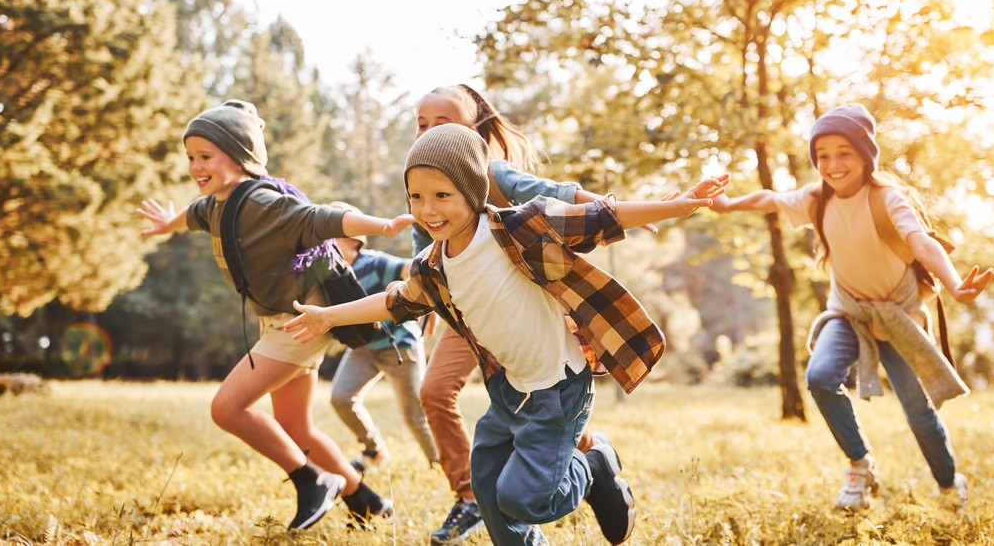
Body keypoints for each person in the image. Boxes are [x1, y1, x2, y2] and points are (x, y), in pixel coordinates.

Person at [285, 124, 730, 545]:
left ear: (473, 191)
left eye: (442, 195)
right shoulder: (433, 266)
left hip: (558, 388)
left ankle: (593, 465)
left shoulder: (518, 228)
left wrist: (677, 206)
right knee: (489, 490)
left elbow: (598, 217)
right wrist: (328, 317)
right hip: (509, 391)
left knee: (525, 498)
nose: (428, 209)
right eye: (416, 196)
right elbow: (394, 299)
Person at [136, 100, 413, 530]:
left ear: (241, 155)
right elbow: (189, 217)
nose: (195, 166)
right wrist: (165, 223)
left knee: (227, 409)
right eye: (190, 157)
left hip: (301, 320)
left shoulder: (263, 202)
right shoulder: (214, 205)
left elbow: (319, 218)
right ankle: (366, 501)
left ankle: (311, 481)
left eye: (206, 156)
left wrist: (381, 226)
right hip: (281, 320)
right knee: (295, 426)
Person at [709, 103, 994, 511]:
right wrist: (727, 204)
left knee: (918, 411)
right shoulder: (816, 200)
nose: (832, 164)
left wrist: (955, 284)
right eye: (822, 155)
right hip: (848, 312)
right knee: (821, 377)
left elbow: (921, 242)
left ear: (865, 154)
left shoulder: (887, 199)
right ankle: (861, 466)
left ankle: (950, 484)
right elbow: (770, 198)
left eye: (844, 152)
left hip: (899, 316)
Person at [411, 84, 653, 544]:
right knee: (439, 391)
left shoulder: (494, 173)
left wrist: (611, 208)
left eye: (443, 123)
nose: (427, 132)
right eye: (421, 124)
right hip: (469, 314)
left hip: (522, 308)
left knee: (533, 397)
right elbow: (423, 255)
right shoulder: (425, 181)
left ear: (475, 129)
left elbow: (553, 194)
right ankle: (476, 497)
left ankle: (585, 463)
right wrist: (422, 310)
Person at [327, 201, 441, 473]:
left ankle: (440, 463)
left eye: (332, 236)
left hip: (399, 348)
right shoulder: (331, 273)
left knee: (415, 415)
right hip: (363, 349)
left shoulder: (376, 263)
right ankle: (374, 450)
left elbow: (413, 270)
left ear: (353, 240)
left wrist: (432, 302)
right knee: (341, 397)